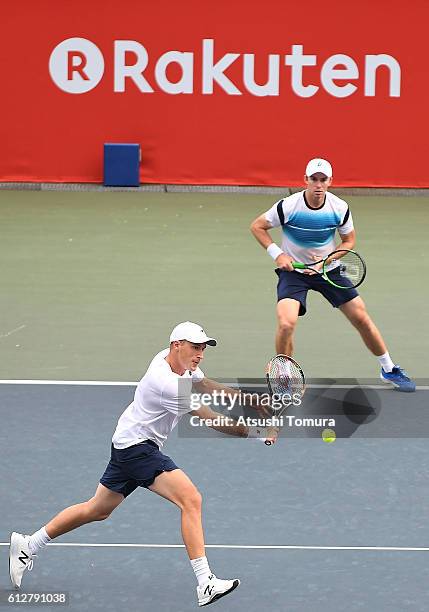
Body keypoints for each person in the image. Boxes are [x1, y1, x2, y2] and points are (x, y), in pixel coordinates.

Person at [9, 321, 275, 607]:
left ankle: (29, 544)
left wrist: (248, 399)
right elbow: (211, 418)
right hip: (139, 449)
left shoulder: (170, 358)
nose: (200, 354)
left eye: (202, 349)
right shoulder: (168, 385)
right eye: (195, 347)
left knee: (97, 510)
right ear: (178, 345)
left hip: (125, 442)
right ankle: (205, 582)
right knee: (191, 499)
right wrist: (259, 434)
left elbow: (205, 384)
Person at [250, 158, 415, 392]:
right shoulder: (288, 206)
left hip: (328, 270)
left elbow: (349, 240)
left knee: (361, 318)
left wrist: (327, 262)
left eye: (323, 180)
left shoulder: (339, 208)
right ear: (305, 180)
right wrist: (278, 255)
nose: (318, 185)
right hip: (294, 273)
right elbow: (257, 226)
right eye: (314, 179)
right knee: (286, 323)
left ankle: (388, 369)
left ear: (330, 182)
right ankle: (284, 375)